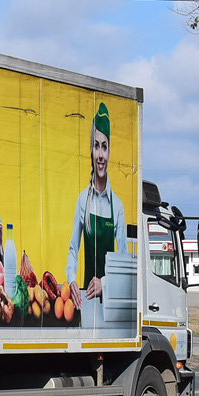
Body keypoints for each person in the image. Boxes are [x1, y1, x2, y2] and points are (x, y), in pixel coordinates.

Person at [66, 102, 128, 302]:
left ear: (109, 152)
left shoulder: (117, 206)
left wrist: (105, 282)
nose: (100, 155)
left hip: (111, 300)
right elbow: (73, 249)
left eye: (104, 147)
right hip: (86, 298)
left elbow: (124, 260)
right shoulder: (83, 199)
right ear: (91, 151)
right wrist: (71, 280)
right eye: (96, 146)